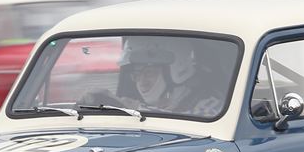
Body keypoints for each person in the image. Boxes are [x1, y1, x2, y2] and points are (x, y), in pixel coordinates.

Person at [85, 36, 223, 117]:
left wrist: (132, 107)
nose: (141, 82)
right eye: (136, 74)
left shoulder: (209, 107)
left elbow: (193, 129)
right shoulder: (147, 107)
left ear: (175, 72)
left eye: (150, 73)